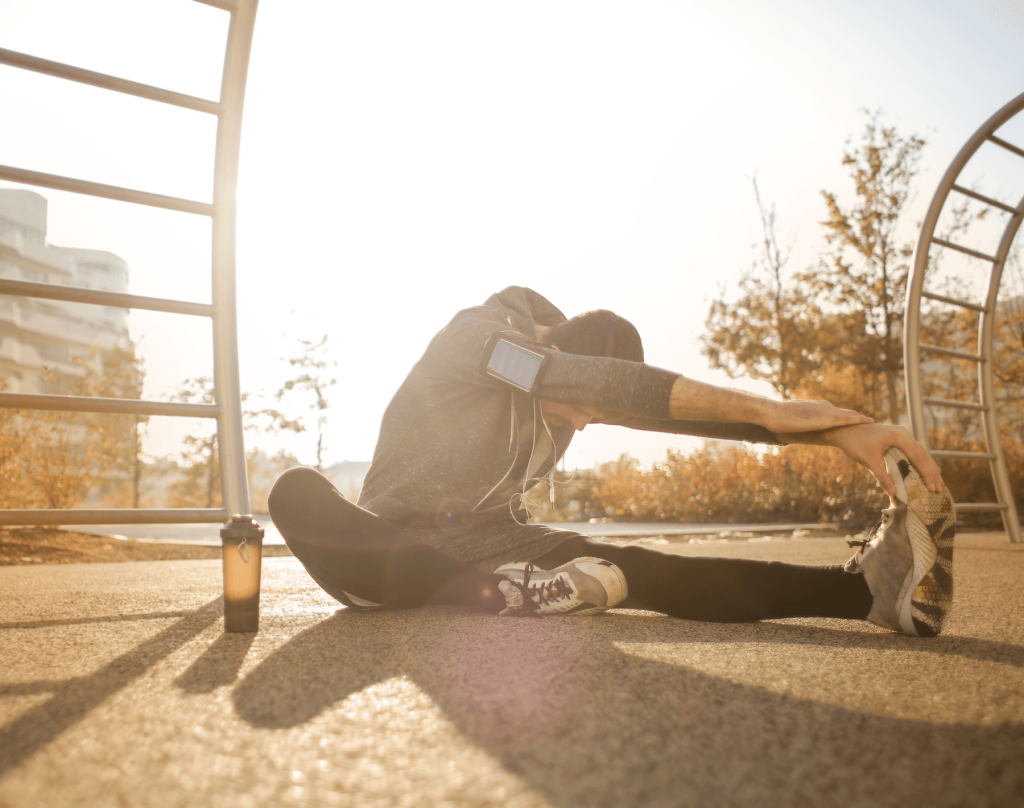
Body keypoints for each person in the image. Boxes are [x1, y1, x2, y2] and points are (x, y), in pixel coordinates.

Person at [269, 287, 955, 637]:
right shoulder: (484, 343)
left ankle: (869, 594)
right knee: (295, 491)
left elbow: (663, 411)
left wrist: (835, 434)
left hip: (495, 548)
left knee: (638, 567)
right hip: (381, 555)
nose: (581, 423)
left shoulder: (565, 390)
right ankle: (503, 596)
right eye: (581, 408)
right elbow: (571, 380)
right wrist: (776, 412)